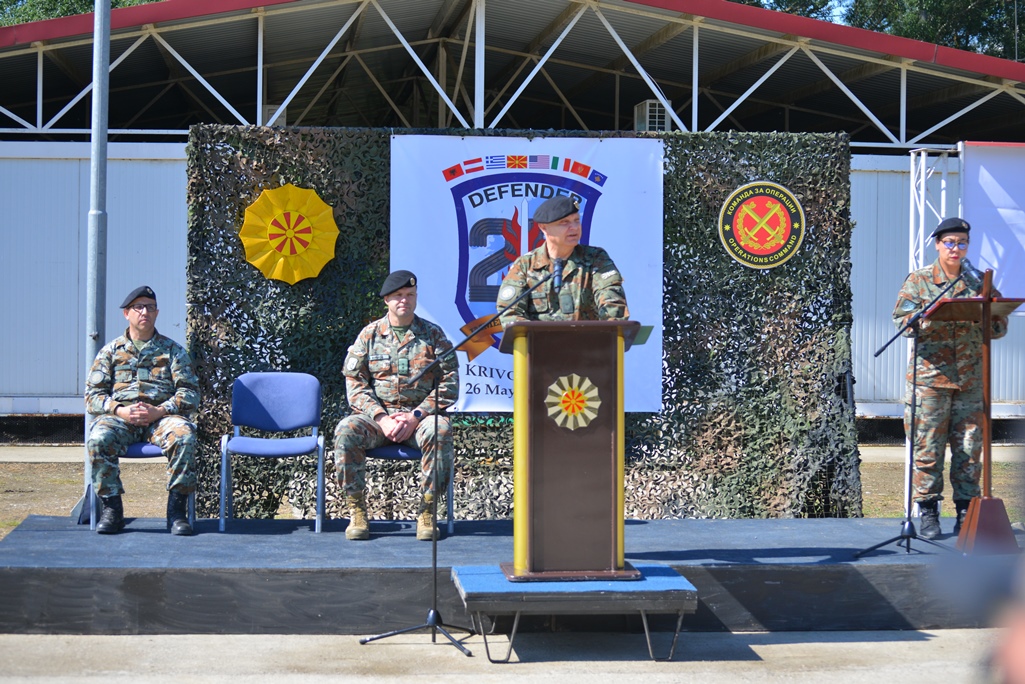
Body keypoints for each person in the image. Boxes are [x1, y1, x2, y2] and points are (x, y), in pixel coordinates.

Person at [892, 217, 1009, 539]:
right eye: (950, 242)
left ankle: (966, 513)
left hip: (970, 382)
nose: (956, 249)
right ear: (937, 244)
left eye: (962, 243)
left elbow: (999, 328)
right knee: (927, 449)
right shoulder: (920, 280)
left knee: (969, 451)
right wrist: (929, 318)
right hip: (930, 381)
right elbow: (902, 321)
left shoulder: (978, 282)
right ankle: (928, 511)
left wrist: (990, 311)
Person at [333, 270, 459, 541]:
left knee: (440, 430)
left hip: (419, 419)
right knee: (346, 430)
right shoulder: (369, 335)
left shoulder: (433, 335)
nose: (405, 300)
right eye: (399, 296)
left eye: (410, 295)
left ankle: (427, 512)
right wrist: (381, 417)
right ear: (386, 300)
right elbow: (355, 384)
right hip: (377, 421)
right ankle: (357, 512)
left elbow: (449, 384)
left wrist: (416, 416)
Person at [85, 286, 200, 536]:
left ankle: (177, 512)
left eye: (150, 307)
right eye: (138, 307)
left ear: (157, 313)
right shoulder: (110, 352)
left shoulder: (173, 351)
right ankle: (112, 511)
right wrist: (119, 410)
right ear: (126, 313)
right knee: (98, 438)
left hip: (161, 419)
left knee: (184, 436)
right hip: (121, 420)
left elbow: (190, 393)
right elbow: (93, 396)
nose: (144, 312)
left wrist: (160, 410)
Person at [496, 195, 629, 327]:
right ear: (543, 227)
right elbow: (510, 312)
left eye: (576, 220)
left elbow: (612, 302)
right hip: (539, 340)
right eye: (564, 223)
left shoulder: (595, 258)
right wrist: (536, 335)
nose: (574, 227)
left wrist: (608, 328)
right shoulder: (525, 265)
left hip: (587, 339)